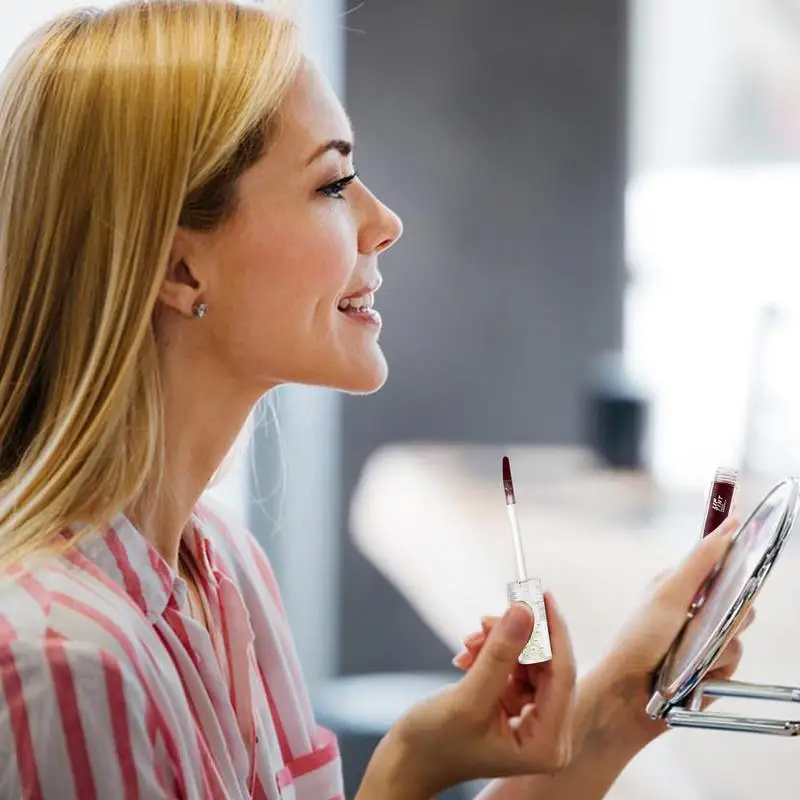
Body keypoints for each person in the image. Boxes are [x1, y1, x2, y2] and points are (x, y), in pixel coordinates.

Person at [0, 2, 749, 799]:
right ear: (183, 271)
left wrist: (616, 709)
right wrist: (406, 771)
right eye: (331, 184)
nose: (385, 222)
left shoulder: (221, 573)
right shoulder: (65, 666)